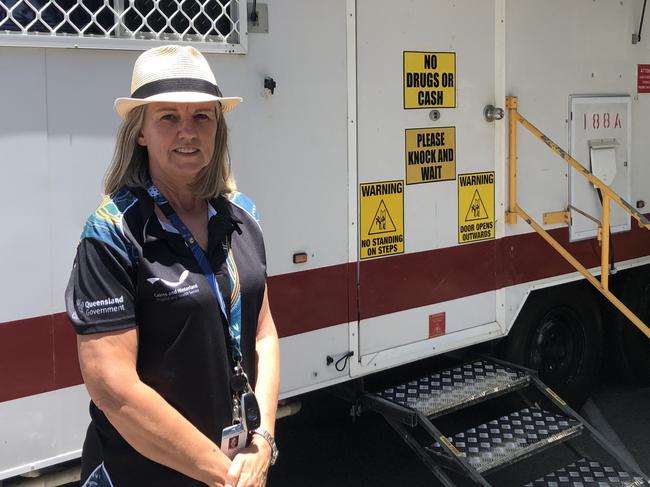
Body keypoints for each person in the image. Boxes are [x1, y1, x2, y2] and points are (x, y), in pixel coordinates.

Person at [65, 45, 280, 487]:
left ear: (218, 127)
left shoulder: (243, 216)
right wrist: (225, 475)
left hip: (237, 466)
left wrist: (262, 441)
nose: (188, 131)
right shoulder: (111, 233)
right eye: (168, 117)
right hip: (146, 473)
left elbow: (263, 333)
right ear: (140, 131)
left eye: (202, 116)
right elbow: (113, 390)